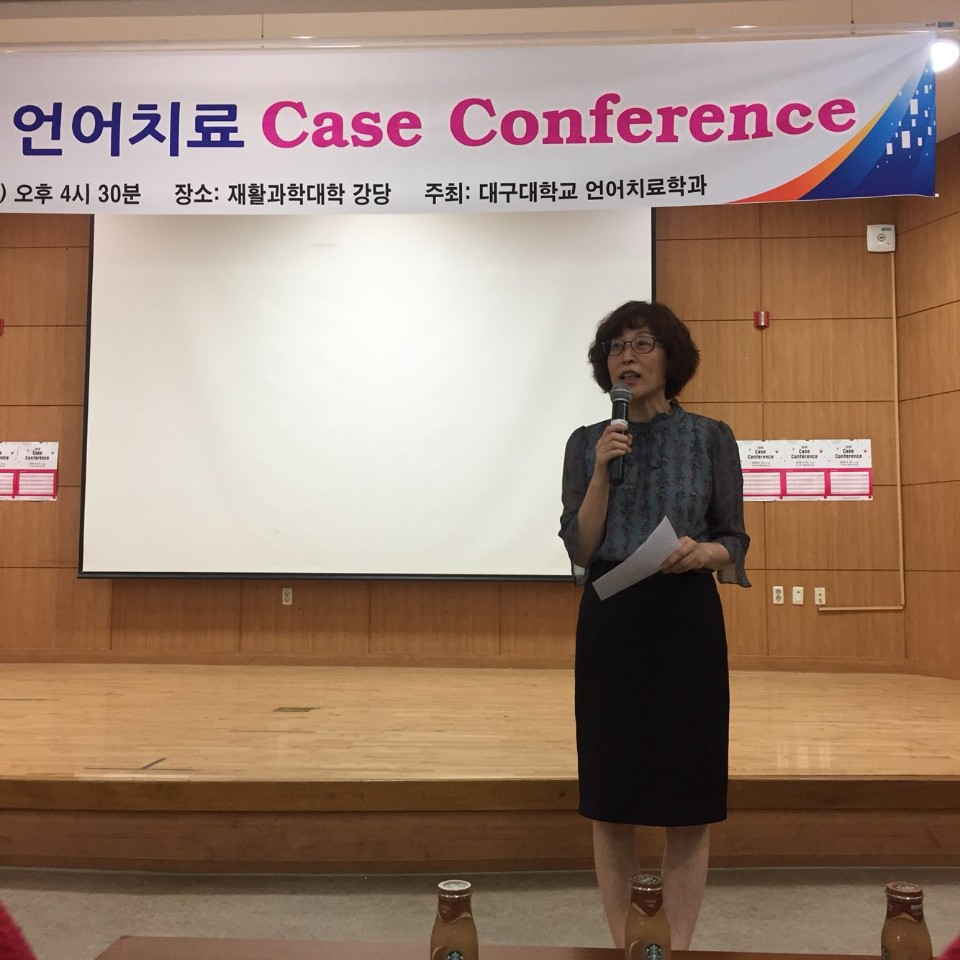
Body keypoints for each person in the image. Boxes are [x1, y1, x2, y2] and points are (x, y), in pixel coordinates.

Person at [558, 300, 750, 950]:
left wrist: (705, 553)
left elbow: (734, 538)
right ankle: (626, 945)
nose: (627, 357)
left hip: (685, 618)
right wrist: (601, 473)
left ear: (671, 358)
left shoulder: (711, 437)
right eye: (616, 347)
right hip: (612, 618)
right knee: (611, 796)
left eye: (642, 344)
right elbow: (581, 547)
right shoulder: (586, 442)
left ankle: (677, 947)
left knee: (687, 797)